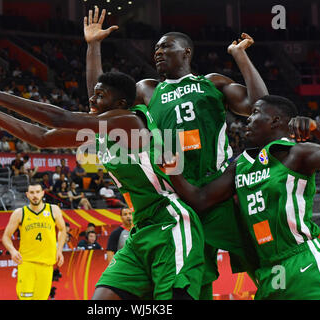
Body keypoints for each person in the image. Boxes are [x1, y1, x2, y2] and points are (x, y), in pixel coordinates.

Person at [0, 70, 205, 300]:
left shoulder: (129, 121)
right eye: (93, 93)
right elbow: (41, 138)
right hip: (142, 228)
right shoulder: (100, 131)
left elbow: (61, 118)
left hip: (170, 223)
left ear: (119, 104)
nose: (92, 98)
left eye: (100, 95)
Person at [84, 7, 268, 298]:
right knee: (195, 277)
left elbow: (261, 106)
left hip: (215, 189)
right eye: (156, 47)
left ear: (186, 52)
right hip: (174, 194)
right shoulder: (147, 89)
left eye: (166, 45)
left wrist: (240, 56)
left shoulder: (212, 83)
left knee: (263, 255)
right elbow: (100, 103)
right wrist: (93, 46)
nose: (158, 51)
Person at [164, 95, 320, 299]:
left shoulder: (297, 153)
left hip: (304, 262)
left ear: (275, 121)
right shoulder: (241, 164)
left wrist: (317, 128)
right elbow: (200, 200)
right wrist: (171, 166)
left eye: (255, 113)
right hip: (268, 272)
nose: (247, 118)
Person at [1, 183, 67, 300]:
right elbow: (6, 236)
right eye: (31, 192)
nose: (35, 195)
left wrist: (60, 250)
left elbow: (62, 230)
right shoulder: (19, 213)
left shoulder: (54, 210)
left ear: (42, 193)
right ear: (27, 195)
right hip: (27, 263)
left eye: (37, 192)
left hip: (47, 264)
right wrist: (12, 251)